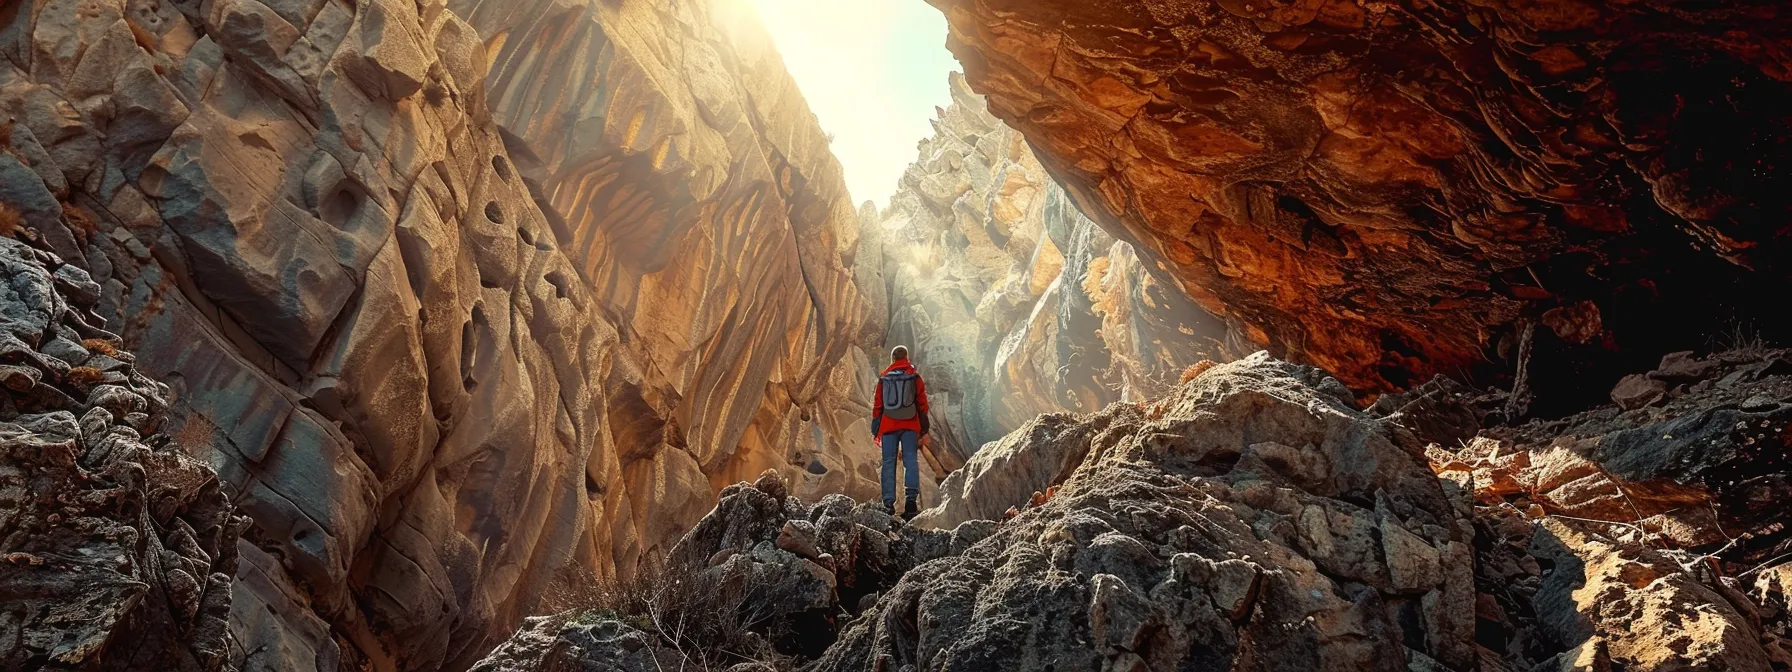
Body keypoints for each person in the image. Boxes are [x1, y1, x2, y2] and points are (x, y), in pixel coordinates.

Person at [872, 345, 929, 518]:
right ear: (907, 357)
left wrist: (875, 425)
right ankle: (910, 502)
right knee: (910, 460)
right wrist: (923, 425)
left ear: (893, 359)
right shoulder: (914, 376)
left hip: (889, 425)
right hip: (910, 424)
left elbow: (878, 404)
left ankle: (888, 504)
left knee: (888, 463)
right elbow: (922, 402)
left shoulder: (884, 378)